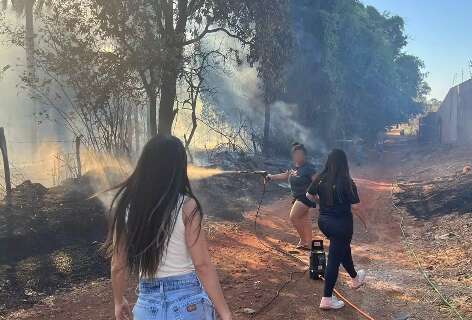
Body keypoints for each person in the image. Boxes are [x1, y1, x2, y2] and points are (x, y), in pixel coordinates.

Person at [102, 135, 232, 320]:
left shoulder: (126, 207)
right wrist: (224, 312)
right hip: (188, 303)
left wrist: (118, 301)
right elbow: (202, 265)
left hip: (146, 307)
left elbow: (117, 265)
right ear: (178, 168)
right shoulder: (187, 206)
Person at [306, 149, 366, 310]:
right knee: (334, 258)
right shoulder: (347, 181)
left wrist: (322, 203)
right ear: (344, 163)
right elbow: (356, 206)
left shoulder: (320, 178)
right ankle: (326, 298)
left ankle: (355, 278)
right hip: (341, 225)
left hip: (324, 222)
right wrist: (365, 220)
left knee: (342, 249)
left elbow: (308, 196)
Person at [266, 142, 317, 250]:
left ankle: (303, 240)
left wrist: (317, 194)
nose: (298, 156)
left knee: (293, 216)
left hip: (306, 196)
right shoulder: (293, 166)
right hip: (297, 196)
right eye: (296, 154)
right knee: (304, 219)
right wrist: (271, 177)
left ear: (305, 155)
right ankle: (309, 243)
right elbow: (285, 175)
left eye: (300, 154)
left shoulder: (309, 167)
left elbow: (316, 181)